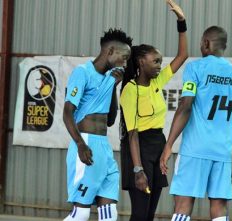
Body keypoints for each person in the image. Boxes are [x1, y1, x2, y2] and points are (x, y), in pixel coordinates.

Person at [160, 26, 232, 221]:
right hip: (222, 153)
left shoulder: (195, 68)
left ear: (205, 44)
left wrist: (168, 144)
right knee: (219, 206)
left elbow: (186, 105)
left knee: (183, 204)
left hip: (194, 149)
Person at [119, 1, 188, 220]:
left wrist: (181, 22)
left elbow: (182, 56)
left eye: (160, 61)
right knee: (140, 214)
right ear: (141, 61)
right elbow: (132, 134)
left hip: (157, 146)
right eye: (155, 61)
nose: (160, 65)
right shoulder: (130, 91)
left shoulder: (157, 83)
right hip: (138, 150)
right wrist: (138, 170)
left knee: (149, 214)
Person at [63, 28, 132, 221]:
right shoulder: (82, 72)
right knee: (81, 213)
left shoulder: (110, 78)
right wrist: (80, 144)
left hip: (103, 146)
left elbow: (110, 120)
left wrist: (113, 87)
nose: (125, 63)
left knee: (109, 214)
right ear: (110, 51)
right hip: (86, 143)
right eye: (123, 57)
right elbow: (67, 113)